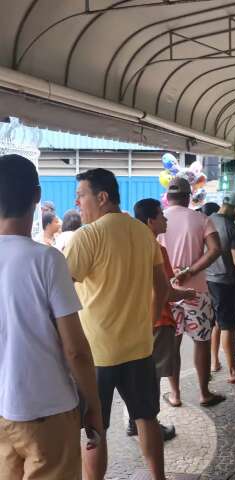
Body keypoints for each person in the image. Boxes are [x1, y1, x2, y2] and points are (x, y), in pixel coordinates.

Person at [0, 155, 103, 480]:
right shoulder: (47, 261)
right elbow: (76, 350)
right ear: (36, 195)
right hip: (49, 411)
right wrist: (94, 407)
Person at [64, 168, 170, 480]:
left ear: (102, 197)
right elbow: (161, 288)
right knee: (146, 418)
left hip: (97, 352)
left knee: (94, 428)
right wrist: (149, 322)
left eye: (81, 195)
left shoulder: (87, 237)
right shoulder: (142, 232)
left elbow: (59, 292)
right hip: (139, 347)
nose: (77, 202)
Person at [129, 198, 197, 440]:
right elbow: (165, 291)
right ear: (150, 220)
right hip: (157, 319)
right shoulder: (156, 249)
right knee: (152, 375)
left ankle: (134, 420)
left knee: (139, 374)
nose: (165, 219)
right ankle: (149, 423)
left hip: (135, 319)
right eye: (161, 216)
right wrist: (187, 293)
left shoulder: (130, 245)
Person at [159, 177, 225, 408]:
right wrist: (190, 270)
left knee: (172, 344)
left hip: (167, 293)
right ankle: (204, 393)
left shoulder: (158, 220)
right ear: (189, 196)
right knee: (202, 341)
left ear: (168, 197)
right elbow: (216, 249)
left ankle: (175, 395)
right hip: (196, 292)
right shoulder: (201, 218)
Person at [207, 193, 235, 384]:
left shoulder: (207, 220)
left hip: (207, 279)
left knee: (217, 323)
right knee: (229, 327)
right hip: (225, 281)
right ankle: (233, 370)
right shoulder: (232, 228)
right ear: (234, 208)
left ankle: (216, 361)